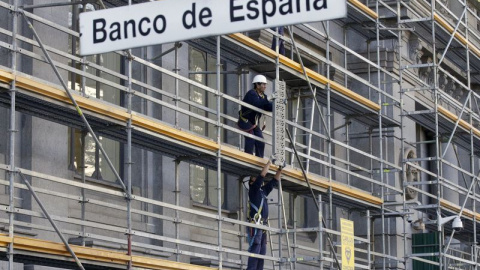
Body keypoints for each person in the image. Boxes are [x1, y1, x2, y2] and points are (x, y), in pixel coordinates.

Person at [247, 160, 282, 270]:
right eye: (254, 178)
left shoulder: (262, 191)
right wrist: (270, 162)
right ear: (252, 182)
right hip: (256, 224)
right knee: (256, 248)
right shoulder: (253, 190)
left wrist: (280, 169)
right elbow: (262, 175)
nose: (257, 179)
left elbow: (274, 181)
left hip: (263, 226)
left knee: (262, 252)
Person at [238, 75, 273, 158]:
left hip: (253, 123)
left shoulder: (263, 96)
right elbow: (256, 103)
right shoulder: (251, 93)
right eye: (263, 84)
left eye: (265, 84)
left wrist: (278, 104)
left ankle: (259, 159)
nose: (265, 86)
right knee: (251, 138)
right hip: (245, 121)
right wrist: (268, 98)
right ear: (257, 85)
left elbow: (267, 106)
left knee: (260, 141)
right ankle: (248, 157)